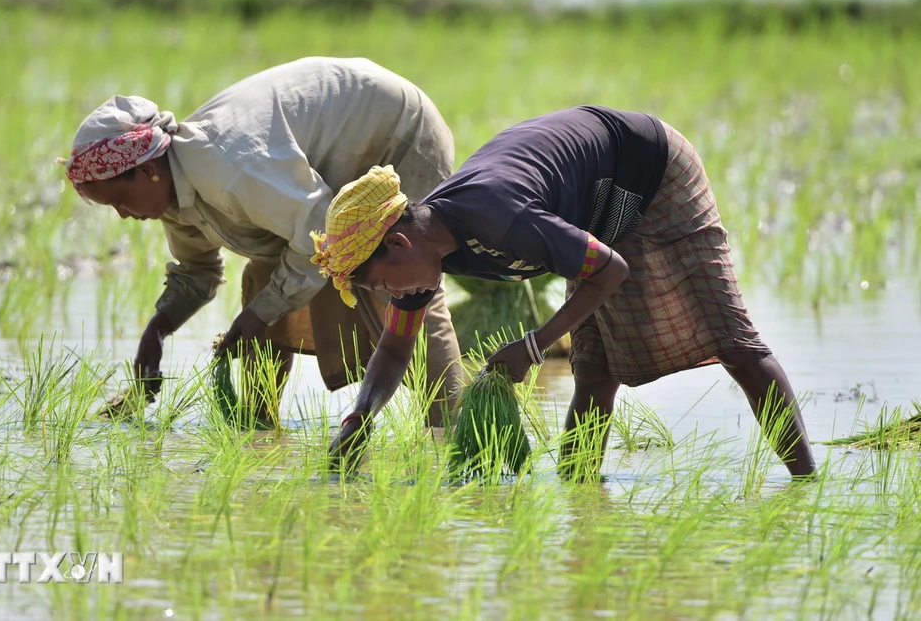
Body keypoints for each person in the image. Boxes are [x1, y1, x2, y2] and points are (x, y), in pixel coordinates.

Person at [313, 105, 817, 478]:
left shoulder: (497, 216)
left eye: (380, 283)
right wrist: (361, 413)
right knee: (594, 367)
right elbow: (397, 346)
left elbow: (611, 270)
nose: (388, 294)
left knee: (733, 341)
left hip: (652, 173)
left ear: (397, 243)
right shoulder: (424, 253)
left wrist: (533, 347)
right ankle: (581, 493)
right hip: (589, 210)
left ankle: (805, 481)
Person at [57, 57, 463, 426]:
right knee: (264, 281)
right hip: (330, 166)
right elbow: (197, 272)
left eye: (121, 200)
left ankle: (455, 434)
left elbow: (319, 236)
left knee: (406, 291)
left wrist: (257, 315)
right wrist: (157, 331)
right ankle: (258, 425)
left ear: (147, 172)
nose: (124, 214)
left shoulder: (226, 168)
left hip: (395, 133)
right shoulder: (174, 195)